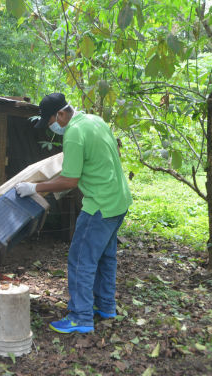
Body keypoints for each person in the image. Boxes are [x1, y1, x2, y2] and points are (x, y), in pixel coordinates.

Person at [16, 93, 132, 334]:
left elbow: (69, 180)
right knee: (106, 256)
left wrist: (34, 188)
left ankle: (81, 317)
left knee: (81, 260)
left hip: (99, 205)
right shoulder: (95, 120)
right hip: (119, 199)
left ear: (60, 114)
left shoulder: (74, 134)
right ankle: (106, 306)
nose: (52, 129)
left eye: (50, 123)